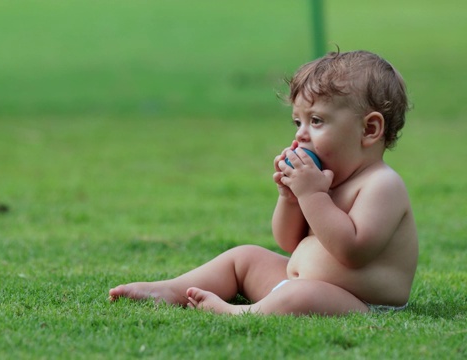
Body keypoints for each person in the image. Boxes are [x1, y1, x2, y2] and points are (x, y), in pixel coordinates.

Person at [108, 50, 418, 315]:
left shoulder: (382, 185)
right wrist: (290, 198)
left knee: (298, 297)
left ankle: (240, 313)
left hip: (357, 302)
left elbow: (352, 252)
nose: (301, 134)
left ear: (370, 129)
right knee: (244, 257)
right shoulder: (325, 179)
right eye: (298, 122)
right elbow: (287, 242)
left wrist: (311, 195)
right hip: (296, 281)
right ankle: (173, 289)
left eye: (317, 121)